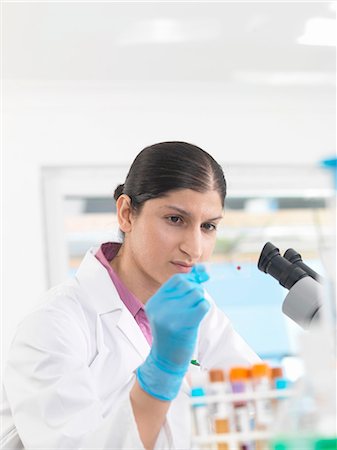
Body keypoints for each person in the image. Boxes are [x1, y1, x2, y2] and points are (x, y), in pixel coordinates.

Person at [1, 142, 260, 450]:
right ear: (126, 214)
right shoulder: (53, 324)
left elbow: (260, 405)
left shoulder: (198, 312)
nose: (194, 248)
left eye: (207, 226)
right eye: (175, 219)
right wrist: (161, 375)